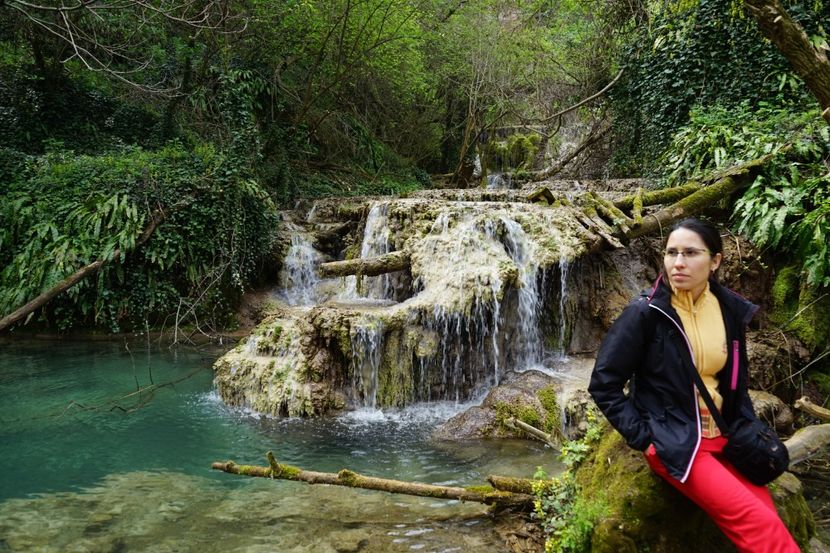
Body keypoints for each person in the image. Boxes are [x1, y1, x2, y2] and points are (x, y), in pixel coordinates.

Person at [588, 217, 800, 553]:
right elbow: (603, 384)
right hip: (678, 440)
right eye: (671, 253)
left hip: (728, 435)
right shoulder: (645, 313)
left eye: (690, 253)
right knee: (760, 527)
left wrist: (745, 422)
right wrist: (645, 439)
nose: (678, 263)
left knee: (766, 515)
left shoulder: (729, 308)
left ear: (715, 261)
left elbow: (734, 379)